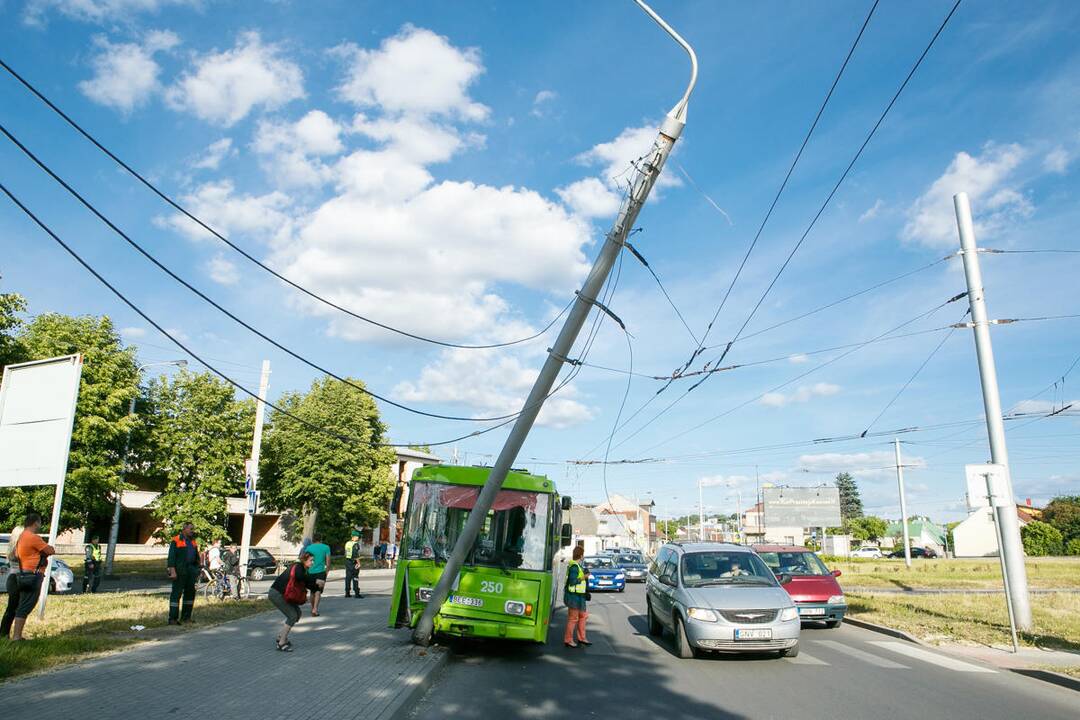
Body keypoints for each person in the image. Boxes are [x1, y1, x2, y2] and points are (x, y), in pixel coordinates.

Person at [2, 513, 55, 641]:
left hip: (15, 577)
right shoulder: (31, 538)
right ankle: (16, 636)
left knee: (12, 608)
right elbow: (50, 550)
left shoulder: (16, 545)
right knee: (23, 606)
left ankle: (4, 635)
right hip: (27, 576)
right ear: (35, 523)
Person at [268, 551, 319, 652]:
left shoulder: (303, 569)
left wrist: (317, 586)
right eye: (311, 560)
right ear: (304, 560)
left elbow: (307, 583)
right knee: (292, 615)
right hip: (277, 594)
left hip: (283, 595)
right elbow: (301, 578)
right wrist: (315, 581)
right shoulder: (298, 566)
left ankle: (280, 636)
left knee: (298, 613)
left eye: (313, 560)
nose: (312, 562)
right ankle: (282, 643)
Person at [166, 522, 201, 625]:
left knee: (190, 594)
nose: (192, 531)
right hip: (180, 570)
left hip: (191, 570)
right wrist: (172, 570)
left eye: (193, 529)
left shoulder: (193, 541)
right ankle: (173, 619)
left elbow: (196, 556)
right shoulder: (176, 540)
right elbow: (171, 557)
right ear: (184, 529)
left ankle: (186, 617)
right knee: (176, 594)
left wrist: (197, 569)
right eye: (190, 529)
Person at [563, 546, 591, 648]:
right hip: (574, 597)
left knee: (583, 616)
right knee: (573, 619)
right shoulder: (574, 567)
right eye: (583, 554)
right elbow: (572, 581)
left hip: (580, 597)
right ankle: (568, 640)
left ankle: (582, 638)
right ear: (581, 555)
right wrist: (584, 577)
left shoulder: (578, 566)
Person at [305, 533, 331, 616]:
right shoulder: (326, 547)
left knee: (312, 591)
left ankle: (313, 608)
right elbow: (328, 561)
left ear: (313, 539)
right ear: (321, 539)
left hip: (310, 572)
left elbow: (306, 560)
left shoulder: (309, 548)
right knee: (318, 591)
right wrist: (327, 571)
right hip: (321, 572)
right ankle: (315, 609)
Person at [343, 529, 363, 599]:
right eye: (358, 537)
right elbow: (355, 555)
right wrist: (359, 563)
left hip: (347, 562)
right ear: (354, 537)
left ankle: (347, 593)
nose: (358, 538)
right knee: (355, 577)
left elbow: (345, 553)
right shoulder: (355, 544)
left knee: (348, 578)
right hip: (353, 563)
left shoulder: (347, 543)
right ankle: (357, 593)